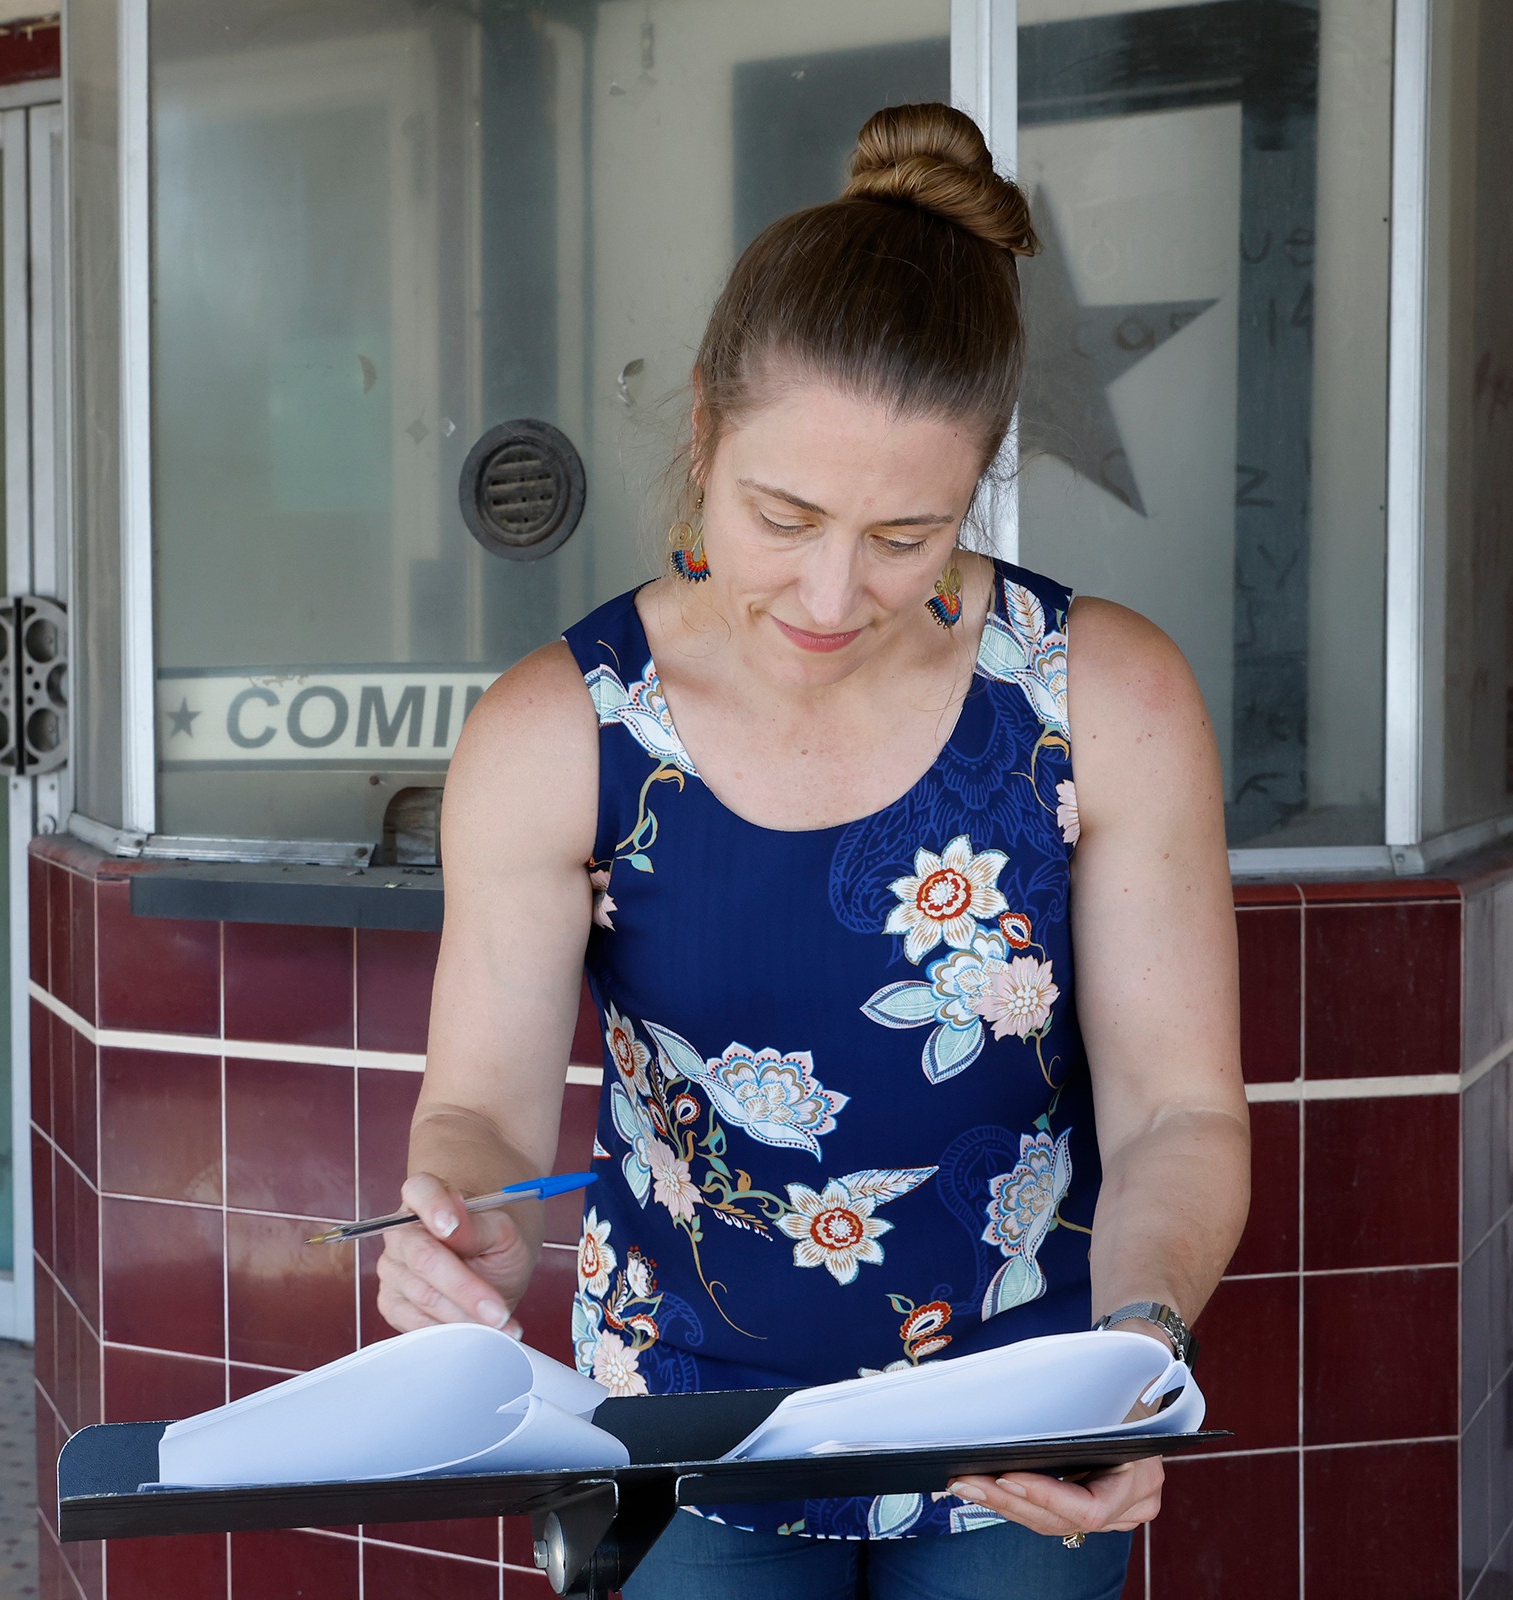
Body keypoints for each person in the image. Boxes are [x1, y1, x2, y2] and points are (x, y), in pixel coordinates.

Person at [376, 102, 1249, 1600]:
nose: (833, 595)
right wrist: (464, 1229)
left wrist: (1138, 1355)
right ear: (703, 430)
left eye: (908, 536)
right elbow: (481, 1114)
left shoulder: (1103, 699)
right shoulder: (560, 732)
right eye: (783, 515)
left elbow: (1178, 1109)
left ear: (978, 483)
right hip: (682, 1411)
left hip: (1022, 1403)